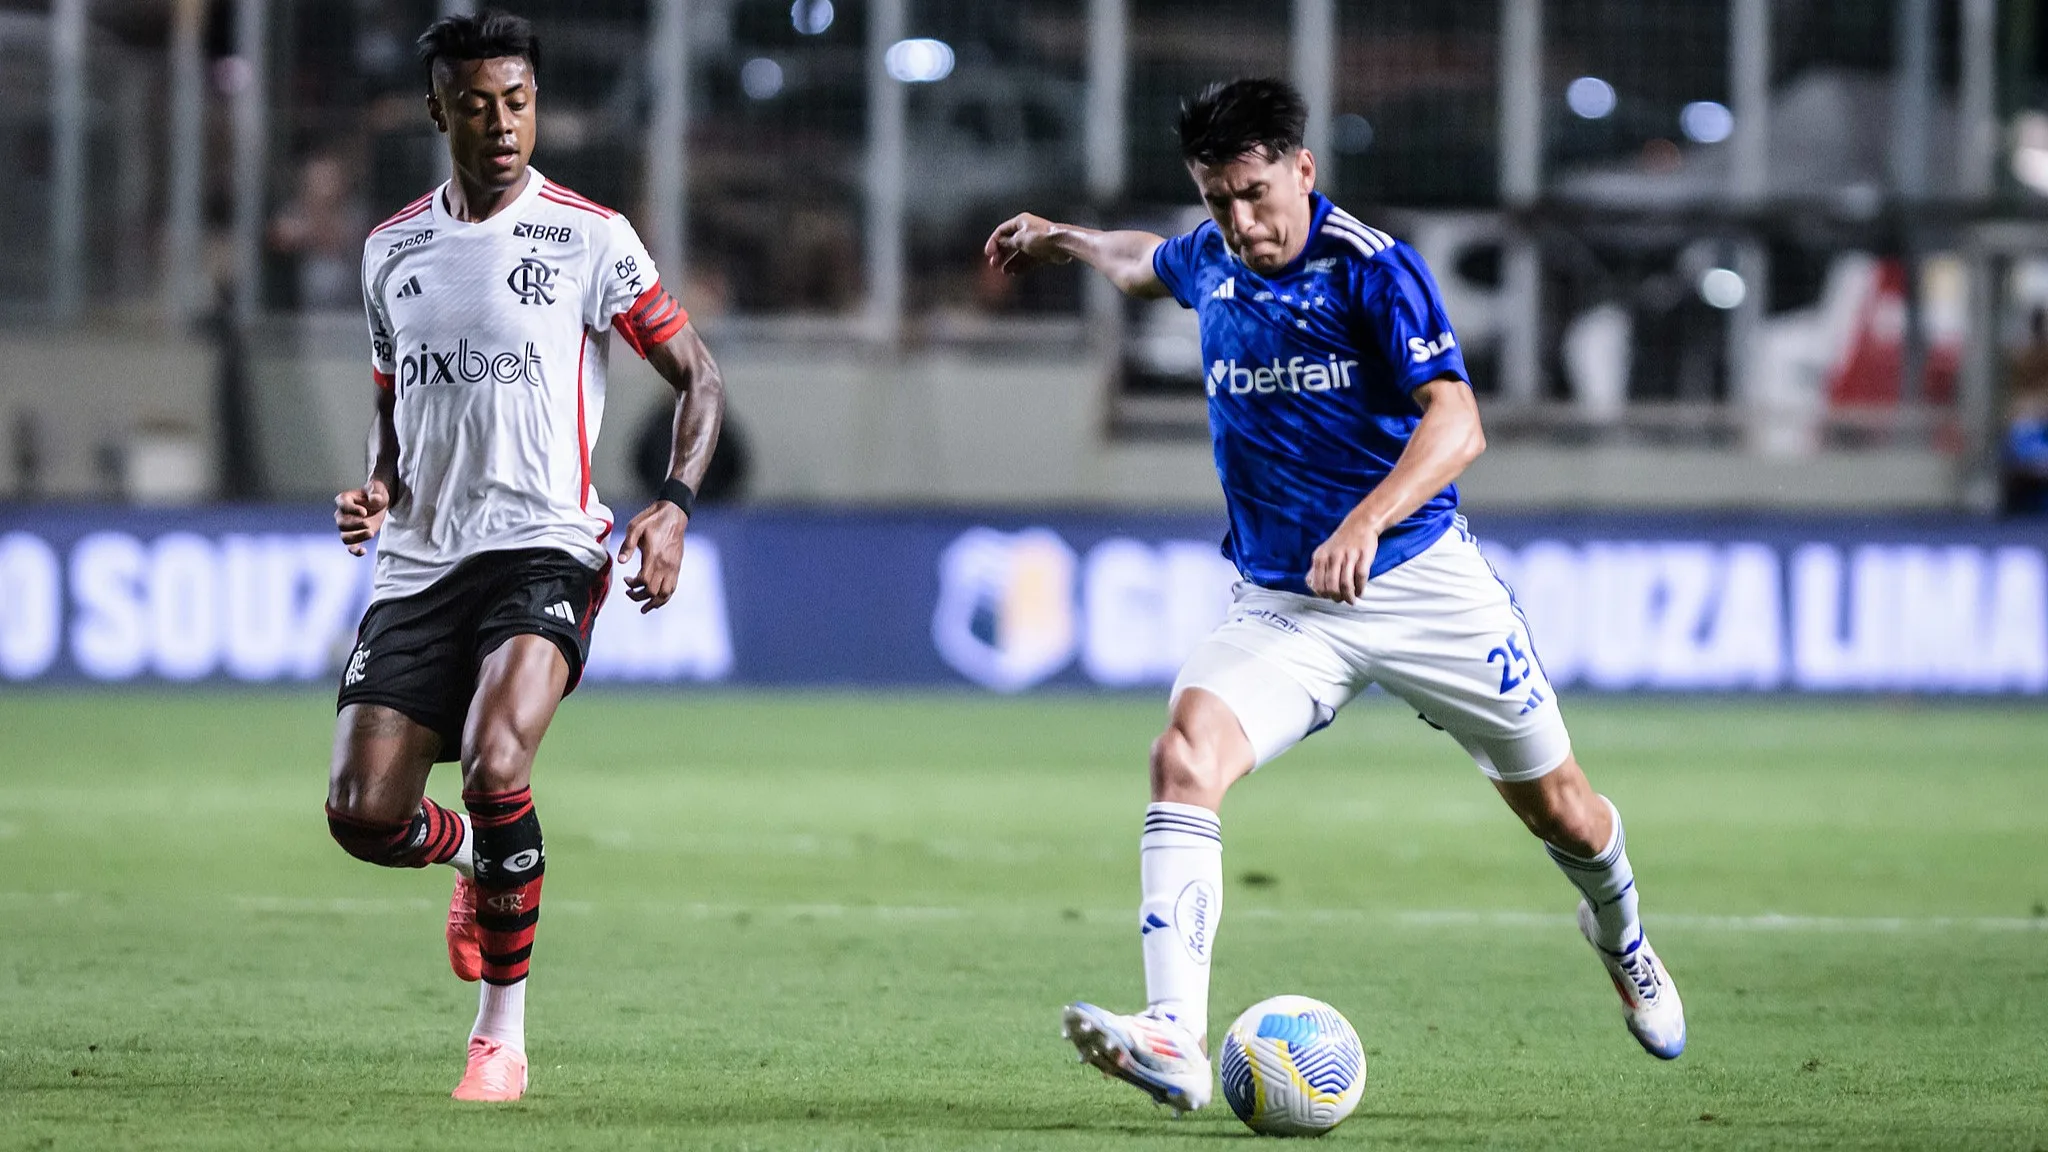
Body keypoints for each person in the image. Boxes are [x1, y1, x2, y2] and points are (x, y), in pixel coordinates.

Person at [984, 78, 1683, 1115]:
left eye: (1255, 193)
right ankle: (1172, 1034)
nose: (1239, 220)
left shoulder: (1370, 269)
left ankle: (1620, 935)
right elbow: (1147, 264)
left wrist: (1363, 519)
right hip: (1283, 605)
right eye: (1217, 198)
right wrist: (1063, 239)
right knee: (1181, 759)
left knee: (1564, 812)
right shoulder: (1212, 254)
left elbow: (1456, 423)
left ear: (1301, 170)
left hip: (1419, 585)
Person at [324, 9, 724, 1103]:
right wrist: (375, 486)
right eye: (476, 105)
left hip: (545, 545)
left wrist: (675, 505)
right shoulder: (391, 250)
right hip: (416, 562)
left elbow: (699, 377)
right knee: (360, 816)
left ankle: (499, 1035)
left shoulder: (589, 235)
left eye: (518, 101)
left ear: (534, 103)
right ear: (436, 111)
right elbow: (391, 408)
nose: (500, 124)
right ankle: (474, 860)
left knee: (503, 762)